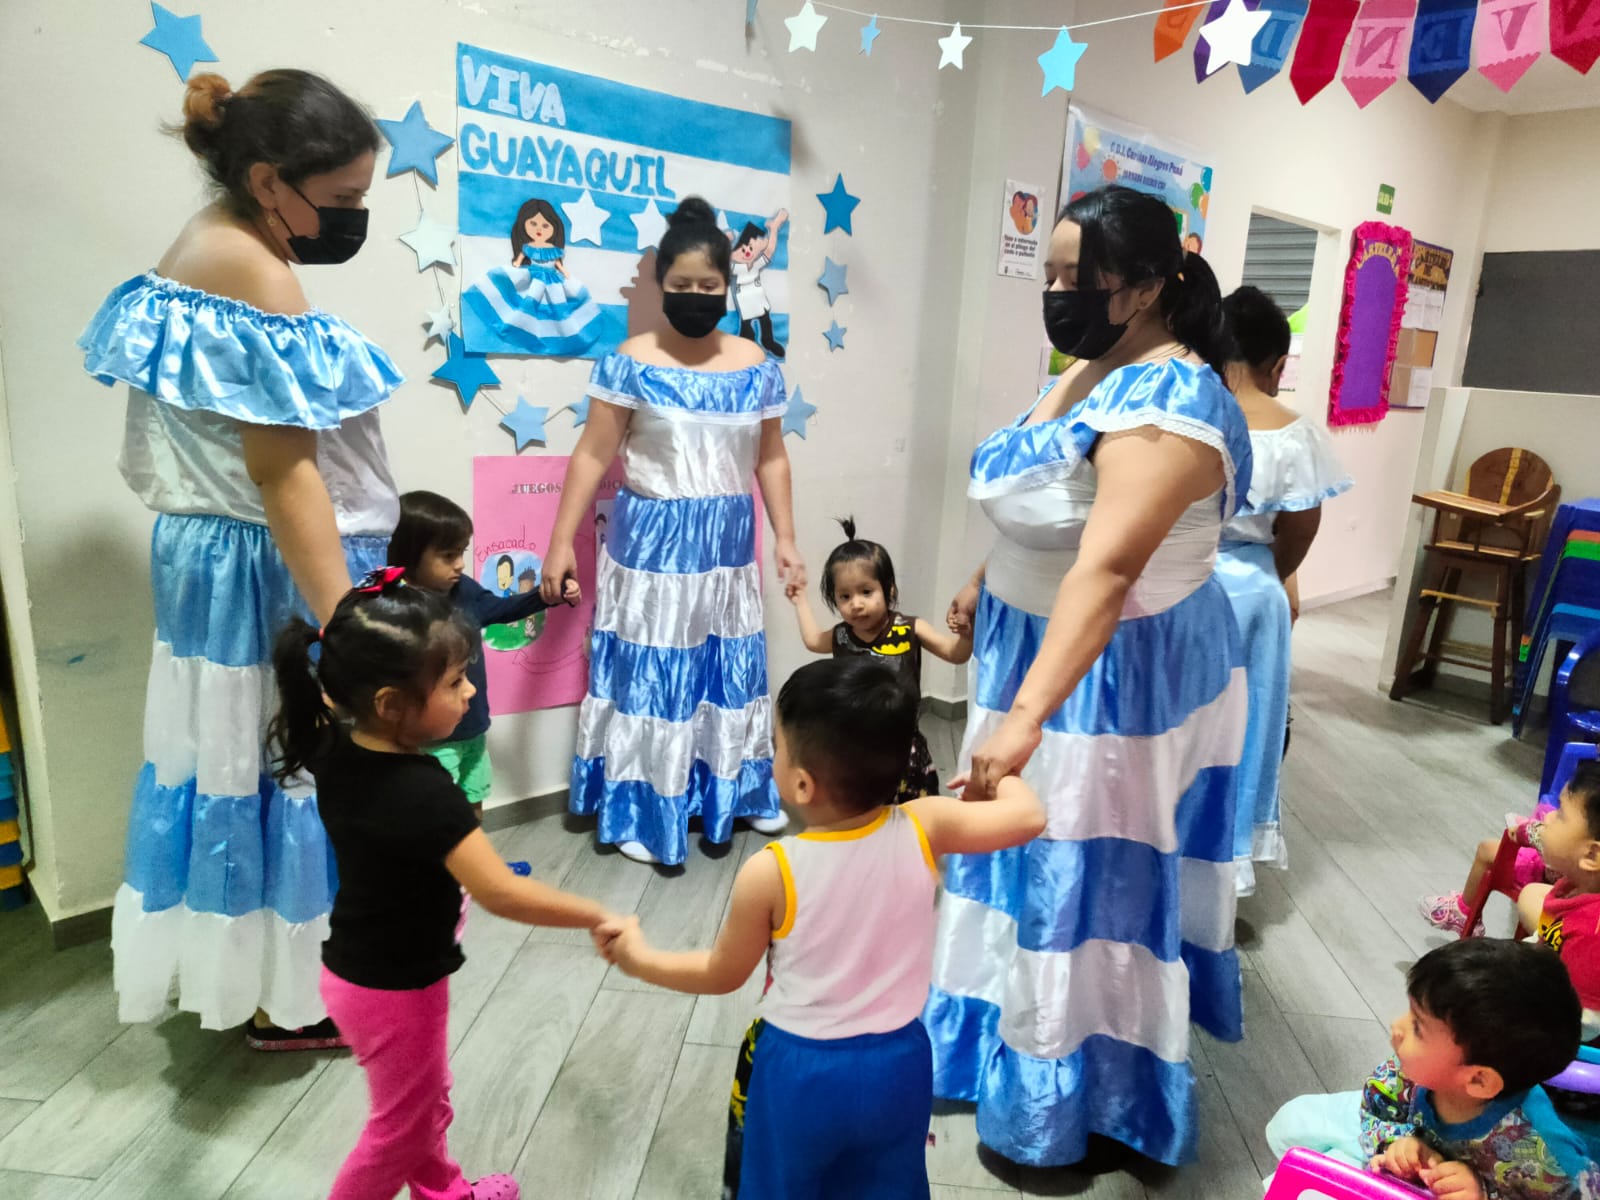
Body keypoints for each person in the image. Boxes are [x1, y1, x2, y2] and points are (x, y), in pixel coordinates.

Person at [929, 184, 1253, 1168]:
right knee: (1016, 857)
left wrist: (1026, 717)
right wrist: (986, 578)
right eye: (1052, 274)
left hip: (1109, 679)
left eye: (1081, 277)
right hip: (1031, 643)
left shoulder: (1173, 404)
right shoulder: (1091, 367)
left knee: (1082, 868)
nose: (1058, 293)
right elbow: (1047, 499)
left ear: (1147, 287)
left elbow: (1107, 570)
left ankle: (1078, 1093)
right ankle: (991, 1035)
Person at [78, 70, 402, 1049]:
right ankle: (288, 998)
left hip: (216, 565)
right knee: (285, 765)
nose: (354, 218)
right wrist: (350, 628)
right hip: (267, 571)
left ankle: (255, 981)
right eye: (342, 198)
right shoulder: (256, 274)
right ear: (268, 181)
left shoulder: (204, 245)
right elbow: (284, 474)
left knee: (232, 765)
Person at [595, 657, 1047, 1200]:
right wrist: (1002, 776)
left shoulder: (772, 871)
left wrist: (638, 958)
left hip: (800, 1071)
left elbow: (721, 974)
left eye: (777, 748)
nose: (773, 757)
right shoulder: (927, 823)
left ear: (802, 784)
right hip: (901, 1062)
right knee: (890, 1185)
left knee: (784, 1187)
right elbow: (1029, 817)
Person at [270, 573, 615, 1200]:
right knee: (399, 1129)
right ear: (390, 704)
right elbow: (501, 891)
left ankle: (445, 1192)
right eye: (455, 681)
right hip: (397, 987)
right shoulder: (426, 793)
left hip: (360, 973)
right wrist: (592, 912)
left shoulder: (334, 745)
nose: (470, 689)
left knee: (423, 1103)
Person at [539, 196, 805, 866]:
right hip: (653, 541)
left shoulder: (756, 364)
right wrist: (560, 542)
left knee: (727, 669)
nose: (695, 296)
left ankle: (736, 791)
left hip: (727, 542)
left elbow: (771, 458)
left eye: (708, 286)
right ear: (661, 284)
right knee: (654, 672)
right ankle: (638, 802)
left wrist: (787, 538)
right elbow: (592, 455)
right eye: (682, 284)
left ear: (727, 285)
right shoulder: (631, 360)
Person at [1265, 939, 1600, 1199]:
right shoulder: (1415, 1069)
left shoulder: (1543, 1154)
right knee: (1290, 1122)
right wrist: (1395, 1144)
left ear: (1479, 1079)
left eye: (1418, 1026)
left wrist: (1483, 1193)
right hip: (1397, 1146)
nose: (1397, 1027)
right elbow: (1378, 1104)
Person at [1217, 286, 1352, 895]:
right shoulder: (1296, 434)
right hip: (1253, 593)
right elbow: (1299, 530)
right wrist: (1266, 573)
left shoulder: (1188, 416)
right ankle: (1230, 859)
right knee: (1249, 728)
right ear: (1276, 365)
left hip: (1173, 584)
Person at [388, 491, 579, 814]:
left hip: (474, 727)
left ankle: (474, 848)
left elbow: (499, 609)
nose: (460, 564)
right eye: (448, 555)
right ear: (409, 555)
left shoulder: (464, 589)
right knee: (435, 813)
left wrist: (547, 594)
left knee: (474, 799)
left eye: (462, 552)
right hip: (431, 739)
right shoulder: (396, 608)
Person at [789, 517, 972, 802]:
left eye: (866, 592)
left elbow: (955, 654)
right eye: (845, 596)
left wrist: (966, 634)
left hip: (903, 745)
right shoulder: (841, 636)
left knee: (912, 809)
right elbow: (813, 641)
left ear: (889, 590)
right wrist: (800, 601)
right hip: (853, 747)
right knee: (863, 809)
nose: (856, 604)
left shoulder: (910, 628)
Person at [1515, 761, 1600, 1039]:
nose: (1549, 817)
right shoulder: (1575, 887)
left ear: (1592, 856)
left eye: (1561, 814)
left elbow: (1582, 1026)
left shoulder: (1592, 935)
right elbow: (1549, 939)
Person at [463, 196, 607, 357]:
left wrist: (565, 273)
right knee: (527, 305)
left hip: (553, 282)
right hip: (532, 277)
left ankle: (556, 334)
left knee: (559, 309)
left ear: (554, 228)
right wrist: (516, 265)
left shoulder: (553, 249)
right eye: (533, 223)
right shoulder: (529, 247)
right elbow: (519, 259)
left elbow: (559, 265)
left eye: (545, 225)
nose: (539, 229)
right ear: (523, 224)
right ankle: (524, 328)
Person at [730, 209, 788, 358]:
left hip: (759, 301)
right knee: (746, 329)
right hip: (745, 303)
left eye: (750, 248)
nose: (747, 252)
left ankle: (768, 342)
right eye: (743, 249)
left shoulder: (756, 265)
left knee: (766, 323)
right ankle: (745, 348)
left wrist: (774, 229)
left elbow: (769, 251)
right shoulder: (736, 268)